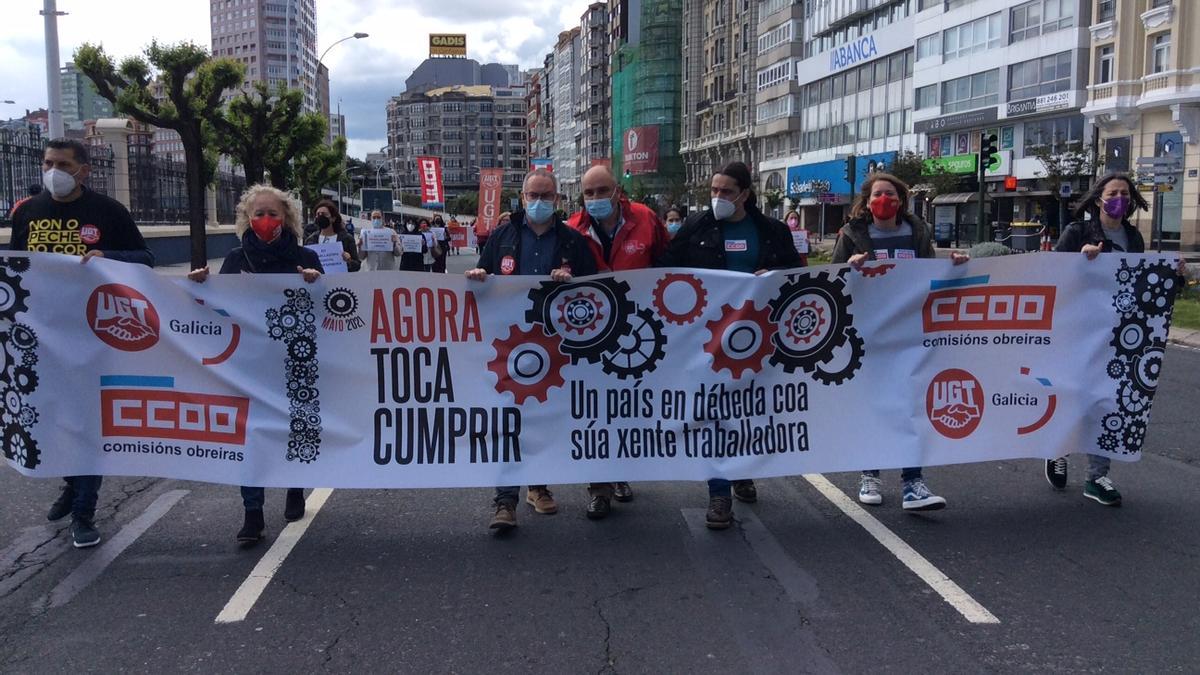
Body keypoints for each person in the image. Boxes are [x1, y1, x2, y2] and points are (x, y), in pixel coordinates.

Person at [9, 138, 154, 549]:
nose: (53, 169)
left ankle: (84, 513)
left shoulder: (108, 212)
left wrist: (109, 256)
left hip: (95, 335)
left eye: (62, 163)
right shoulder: (29, 213)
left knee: (88, 421)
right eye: (48, 162)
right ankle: (73, 483)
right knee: (53, 419)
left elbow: (145, 258)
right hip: (42, 335)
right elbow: (17, 266)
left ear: (83, 171)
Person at [659, 161, 801, 530]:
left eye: (725, 191)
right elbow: (666, 269)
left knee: (748, 409)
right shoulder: (696, 227)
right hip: (706, 338)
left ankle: (742, 470)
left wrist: (773, 277)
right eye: (714, 190)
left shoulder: (770, 231)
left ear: (744, 194)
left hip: (757, 336)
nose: (718, 197)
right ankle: (718, 491)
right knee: (713, 412)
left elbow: (794, 272)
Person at [186, 184, 323, 543]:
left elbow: (330, 310)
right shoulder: (234, 259)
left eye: (272, 213)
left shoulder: (307, 258)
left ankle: (295, 486)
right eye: (258, 213)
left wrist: (317, 284)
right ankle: (253, 513)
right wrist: (201, 286)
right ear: (247, 218)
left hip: (296, 361)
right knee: (250, 436)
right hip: (249, 365)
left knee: (294, 428)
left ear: (287, 218)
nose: (265, 220)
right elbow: (219, 310)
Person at [465, 169, 598, 532]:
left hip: (557, 345)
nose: (539, 202)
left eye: (547, 196)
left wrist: (571, 284)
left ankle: (538, 486)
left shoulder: (573, 241)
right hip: (510, 345)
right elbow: (483, 275)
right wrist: (478, 276)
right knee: (509, 420)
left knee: (544, 416)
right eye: (533, 195)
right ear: (522, 198)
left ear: (557, 199)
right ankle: (504, 500)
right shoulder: (502, 237)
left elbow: (595, 288)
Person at [1046, 173, 1186, 506]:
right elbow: (1050, 276)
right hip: (1078, 333)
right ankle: (1057, 449)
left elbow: (1143, 286)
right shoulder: (1077, 232)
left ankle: (1097, 477)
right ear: (1098, 199)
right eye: (1113, 192)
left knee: (1110, 402)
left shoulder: (1133, 237)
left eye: (1125, 193)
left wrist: (1173, 276)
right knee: (1073, 398)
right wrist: (1080, 261)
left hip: (1119, 336)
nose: (1119, 198)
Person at [831, 172, 969, 511]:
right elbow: (831, 280)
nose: (884, 200)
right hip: (868, 333)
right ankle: (870, 474)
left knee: (911, 404)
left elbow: (928, 275)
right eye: (878, 194)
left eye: (890, 194)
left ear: (901, 200)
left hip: (909, 330)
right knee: (875, 403)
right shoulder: (852, 235)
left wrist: (954, 267)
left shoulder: (917, 232)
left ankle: (913, 482)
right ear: (867, 200)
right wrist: (849, 267)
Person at [568, 165, 668, 519]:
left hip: (639, 332)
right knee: (596, 410)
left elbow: (669, 265)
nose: (595, 198)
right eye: (588, 192)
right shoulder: (573, 228)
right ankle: (599, 488)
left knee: (627, 408)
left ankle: (622, 471)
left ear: (617, 190)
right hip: (592, 332)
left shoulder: (646, 219)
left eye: (601, 190)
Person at [304, 199, 361, 272]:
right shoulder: (310, 240)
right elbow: (305, 264)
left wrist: (349, 261)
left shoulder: (347, 239)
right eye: (318, 214)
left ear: (333, 218)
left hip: (340, 281)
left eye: (324, 214)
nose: (320, 217)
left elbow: (357, 266)